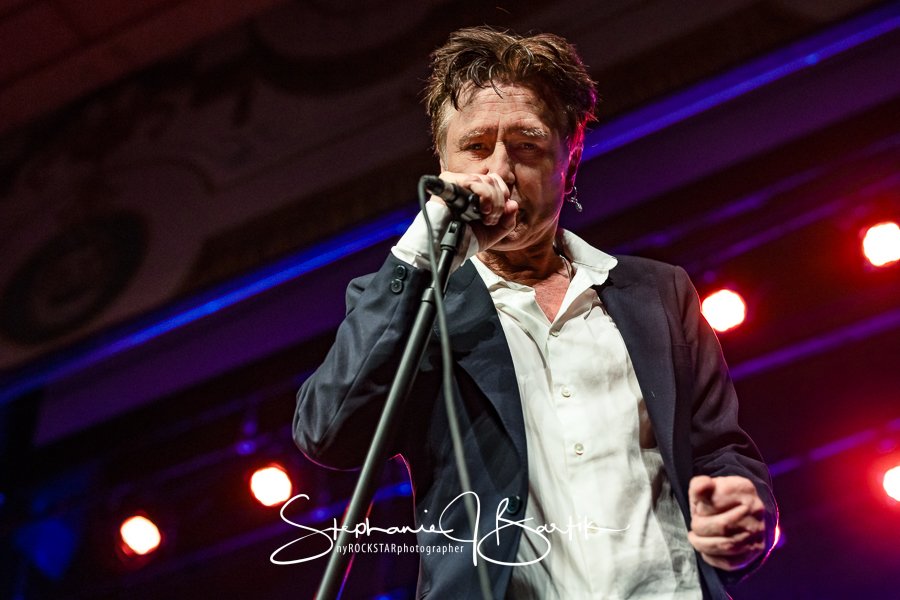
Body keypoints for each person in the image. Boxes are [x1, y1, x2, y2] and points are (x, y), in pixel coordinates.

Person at [294, 26, 777, 599]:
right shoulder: (415, 304)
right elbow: (329, 434)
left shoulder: (657, 292)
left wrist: (740, 506)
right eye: (476, 147)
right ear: (443, 163)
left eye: (526, 146)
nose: (498, 171)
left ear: (569, 161)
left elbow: (720, 451)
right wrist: (422, 250)